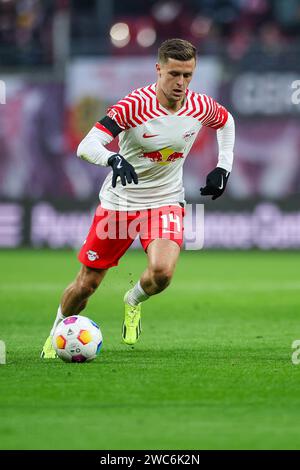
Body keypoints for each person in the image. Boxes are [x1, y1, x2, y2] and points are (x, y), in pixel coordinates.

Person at [41, 38, 235, 358]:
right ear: (158, 69)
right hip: (120, 204)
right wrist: (112, 159)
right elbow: (86, 145)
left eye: (188, 75)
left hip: (166, 200)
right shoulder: (134, 105)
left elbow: (226, 121)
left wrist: (223, 166)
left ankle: (132, 300)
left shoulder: (199, 105)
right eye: (174, 74)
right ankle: (56, 333)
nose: (181, 83)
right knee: (87, 284)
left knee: (162, 274)